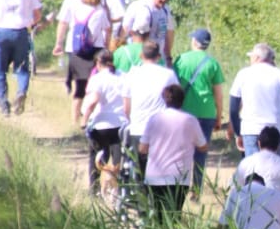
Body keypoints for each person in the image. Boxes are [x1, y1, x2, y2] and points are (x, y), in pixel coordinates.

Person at [140, 82, 207, 218]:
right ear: (182, 100)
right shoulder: (190, 120)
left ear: (164, 100)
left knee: (157, 217)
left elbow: (142, 148)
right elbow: (203, 146)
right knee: (174, 217)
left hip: (155, 177)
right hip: (178, 177)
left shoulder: (154, 119)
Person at [53, 0, 110, 125]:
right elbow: (107, 28)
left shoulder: (72, 0)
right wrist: (108, 45)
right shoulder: (100, 5)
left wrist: (59, 43)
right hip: (96, 48)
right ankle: (90, 116)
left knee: (80, 84)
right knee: (95, 83)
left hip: (75, 47)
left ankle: (75, 118)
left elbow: (63, 22)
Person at [174, 28, 225, 196]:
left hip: (184, 112)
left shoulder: (181, 60)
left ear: (195, 42)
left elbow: (173, 86)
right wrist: (218, 117)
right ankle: (196, 191)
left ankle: (179, 186)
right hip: (206, 113)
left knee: (181, 151)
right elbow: (218, 94)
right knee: (201, 152)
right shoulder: (213, 63)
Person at [122, 41, 180, 176]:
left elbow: (126, 106)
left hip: (138, 127)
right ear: (159, 56)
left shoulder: (132, 74)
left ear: (141, 55)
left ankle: (141, 195)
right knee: (160, 169)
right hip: (162, 128)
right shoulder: (168, 74)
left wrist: (132, 120)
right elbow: (177, 99)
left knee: (139, 170)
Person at [228, 43, 280, 153]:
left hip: (251, 128)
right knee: (274, 166)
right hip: (275, 128)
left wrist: (238, 132)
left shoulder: (243, 74)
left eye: (251, 57)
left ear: (256, 57)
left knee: (253, 167)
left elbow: (233, 107)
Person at [81, 50, 130, 189]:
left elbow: (93, 101)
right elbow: (127, 102)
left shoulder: (97, 78)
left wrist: (84, 120)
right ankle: (120, 189)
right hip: (119, 124)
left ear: (97, 63)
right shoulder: (123, 76)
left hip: (100, 125)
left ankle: (94, 189)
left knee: (96, 157)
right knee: (118, 160)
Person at [233, 126, 280, 224]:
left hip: (249, 215)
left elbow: (234, 191)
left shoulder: (246, 163)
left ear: (259, 143)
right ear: (278, 145)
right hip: (275, 216)